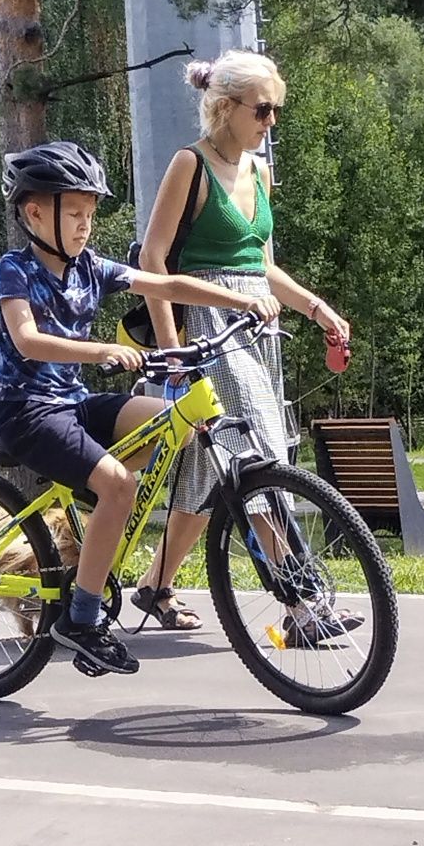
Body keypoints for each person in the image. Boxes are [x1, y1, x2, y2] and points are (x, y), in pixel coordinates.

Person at [0, 140, 280, 676]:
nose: (85, 225)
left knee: (179, 424)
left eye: (90, 214)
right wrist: (102, 350)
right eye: (74, 212)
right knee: (120, 483)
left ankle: (97, 500)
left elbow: (164, 279)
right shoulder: (15, 270)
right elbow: (27, 340)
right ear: (34, 212)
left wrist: (243, 298)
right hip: (26, 411)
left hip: (72, 403)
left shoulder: (89, 268)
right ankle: (80, 618)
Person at [132, 50, 357, 641]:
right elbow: (152, 262)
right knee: (260, 459)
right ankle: (303, 602)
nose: (271, 121)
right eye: (263, 109)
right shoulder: (190, 164)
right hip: (207, 330)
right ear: (226, 107)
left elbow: (262, 269)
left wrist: (316, 307)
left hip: (257, 329)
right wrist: (171, 349)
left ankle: (154, 586)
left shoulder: (258, 172)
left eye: (276, 109)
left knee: (208, 473)